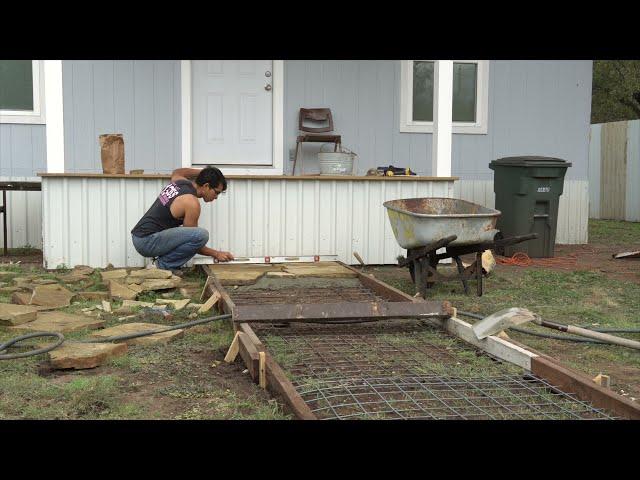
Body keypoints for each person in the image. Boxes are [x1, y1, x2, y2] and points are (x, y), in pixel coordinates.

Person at [131, 166, 234, 274]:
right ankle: (160, 266)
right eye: (216, 192)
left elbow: (178, 172)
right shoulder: (191, 203)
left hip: (139, 237)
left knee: (195, 235)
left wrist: (207, 173)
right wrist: (216, 254)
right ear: (206, 186)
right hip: (146, 242)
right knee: (201, 235)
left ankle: (162, 265)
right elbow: (196, 242)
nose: (216, 197)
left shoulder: (180, 182)